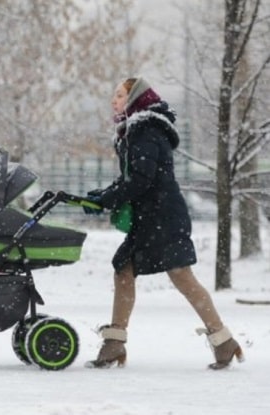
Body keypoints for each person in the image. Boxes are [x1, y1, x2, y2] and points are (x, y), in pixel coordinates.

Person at [83, 77, 243, 370]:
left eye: (119, 95)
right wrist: (103, 195)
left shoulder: (144, 130)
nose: (114, 100)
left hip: (161, 217)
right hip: (153, 216)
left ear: (135, 99)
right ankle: (116, 343)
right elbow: (133, 178)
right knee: (129, 269)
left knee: (178, 274)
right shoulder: (137, 129)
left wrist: (109, 199)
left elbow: (141, 180)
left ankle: (222, 341)